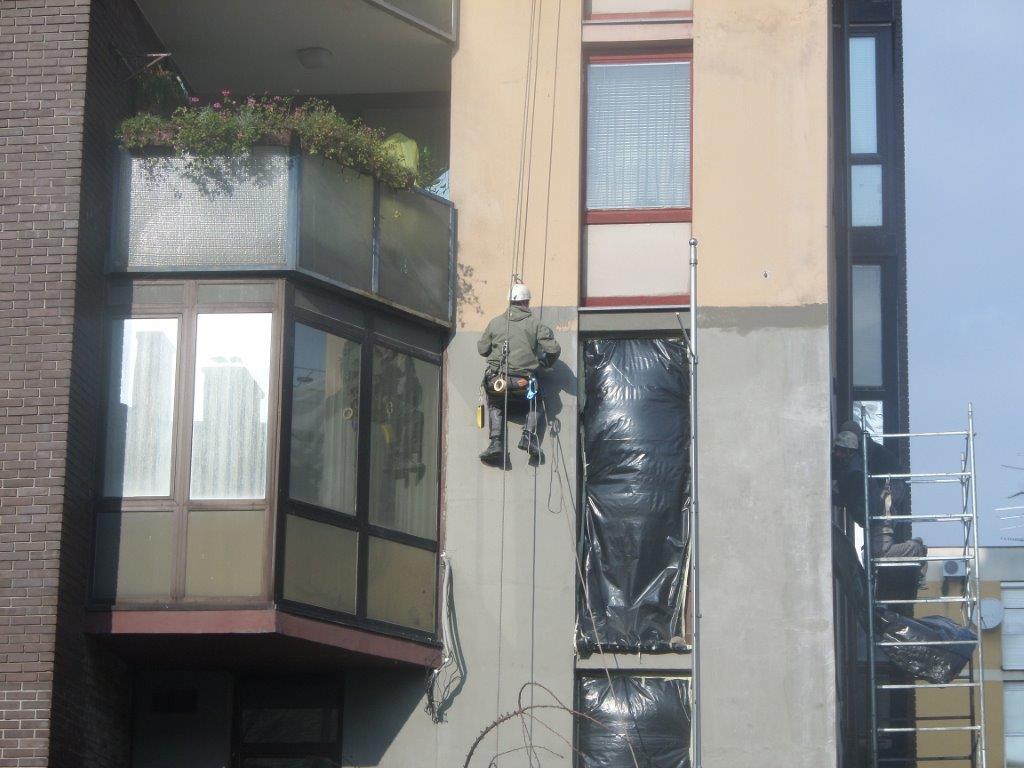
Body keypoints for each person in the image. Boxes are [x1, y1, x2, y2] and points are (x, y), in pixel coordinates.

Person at [832, 421, 927, 600]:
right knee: (872, 555)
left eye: (841, 451)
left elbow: (849, 492)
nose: (837, 454)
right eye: (837, 450)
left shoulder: (858, 463)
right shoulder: (853, 460)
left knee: (879, 553)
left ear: (851, 449)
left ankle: (915, 548)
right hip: (879, 503)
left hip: (883, 503)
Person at [477, 283, 560, 465]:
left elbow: (482, 350)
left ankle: (496, 443)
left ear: (509, 301)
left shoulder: (495, 322)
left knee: (495, 403)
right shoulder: (535, 324)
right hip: (524, 383)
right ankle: (528, 437)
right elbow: (553, 349)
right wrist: (545, 363)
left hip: (497, 381)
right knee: (537, 402)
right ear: (526, 302)